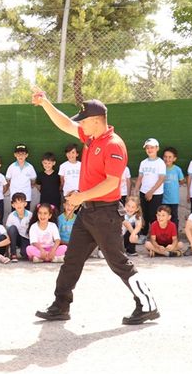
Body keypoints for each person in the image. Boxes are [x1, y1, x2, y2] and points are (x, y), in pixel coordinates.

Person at [31, 89, 159, 325]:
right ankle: (60, 306)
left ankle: (148, 304)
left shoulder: (113, 145)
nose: (80, 126)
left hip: (105, 213)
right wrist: (46, 103)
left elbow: (112, 182)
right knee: (72, 259)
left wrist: (80, 197)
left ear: (96, 121)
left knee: (118, 262)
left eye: (84, 121)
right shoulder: (91, 137)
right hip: (88, 212)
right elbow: (66, 124)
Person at [134, 137, 165, 239]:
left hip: (156, 194)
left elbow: (161, 179)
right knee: (144, 215)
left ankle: (155, 236)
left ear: (157, 148)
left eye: (152, 147)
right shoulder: (143, 163)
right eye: (147, 148)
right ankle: (143, 234)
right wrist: (135, 191)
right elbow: (140, 178)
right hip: (143, 192)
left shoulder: (160, 163)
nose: (149, 150)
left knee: (154, 215)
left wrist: (151, 192)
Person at [6, 143, 37, 211]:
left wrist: (31, 185)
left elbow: (33, 179)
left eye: (23, 153)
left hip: (26, 195)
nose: (20, 156)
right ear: (15, 155)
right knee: (14, 213)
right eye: (18, 154)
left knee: (26, 213)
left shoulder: (30, 167)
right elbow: (8, 179)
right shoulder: (11, 167)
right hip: (14, 194)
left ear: (26, 155)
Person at [161, 146, 185, 230]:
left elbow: (182, 181)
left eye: (170, 157)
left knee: (174, 217)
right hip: (163, 199)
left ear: (174, 158)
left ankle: (174, 234)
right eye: (165, 157)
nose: (167, 159)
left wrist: (174, 184)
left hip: (174, 199)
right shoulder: (161, 168)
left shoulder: (177, 169)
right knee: (163, 217)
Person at [5, 192, 32, 261]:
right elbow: (8, 232)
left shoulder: (30, 215)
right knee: (12, 228)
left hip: (26, 238)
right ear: (13, 205)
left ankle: (24, 250)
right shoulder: (11, 216)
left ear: (25, 204)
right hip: (15, 238)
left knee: (25, 254)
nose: (18, 205)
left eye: (21, 202)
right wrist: (6, 250)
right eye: (16, 203)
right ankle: (13, 253)